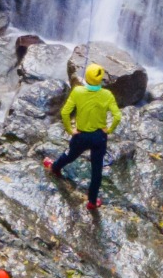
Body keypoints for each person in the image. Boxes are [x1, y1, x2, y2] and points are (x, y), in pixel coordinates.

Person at [45, 62, 122, 210]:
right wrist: (109, 130)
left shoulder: (78, 92)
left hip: (81, 135)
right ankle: (92, 201)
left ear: (86, 77)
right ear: (100, 80)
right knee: (97, 170)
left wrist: (70, 130)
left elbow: (65, 113)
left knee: (69, 155)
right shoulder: (107, 95)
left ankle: (55, 167)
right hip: (99, 137)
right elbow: (117, 116)